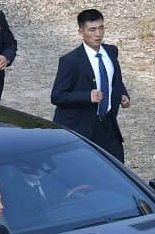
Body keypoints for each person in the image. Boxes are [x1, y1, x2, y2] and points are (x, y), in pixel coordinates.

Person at [50, 9, 131, 162]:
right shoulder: (70, 61)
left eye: (101, 28)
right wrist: (87, 96)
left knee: (117, 170)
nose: (98, 34)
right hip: (81, 128)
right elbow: (57, 96)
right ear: (81, 31)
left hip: (108, 125)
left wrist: (122, 93)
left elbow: (114, 77)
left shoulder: (111, 51)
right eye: (92, 30)